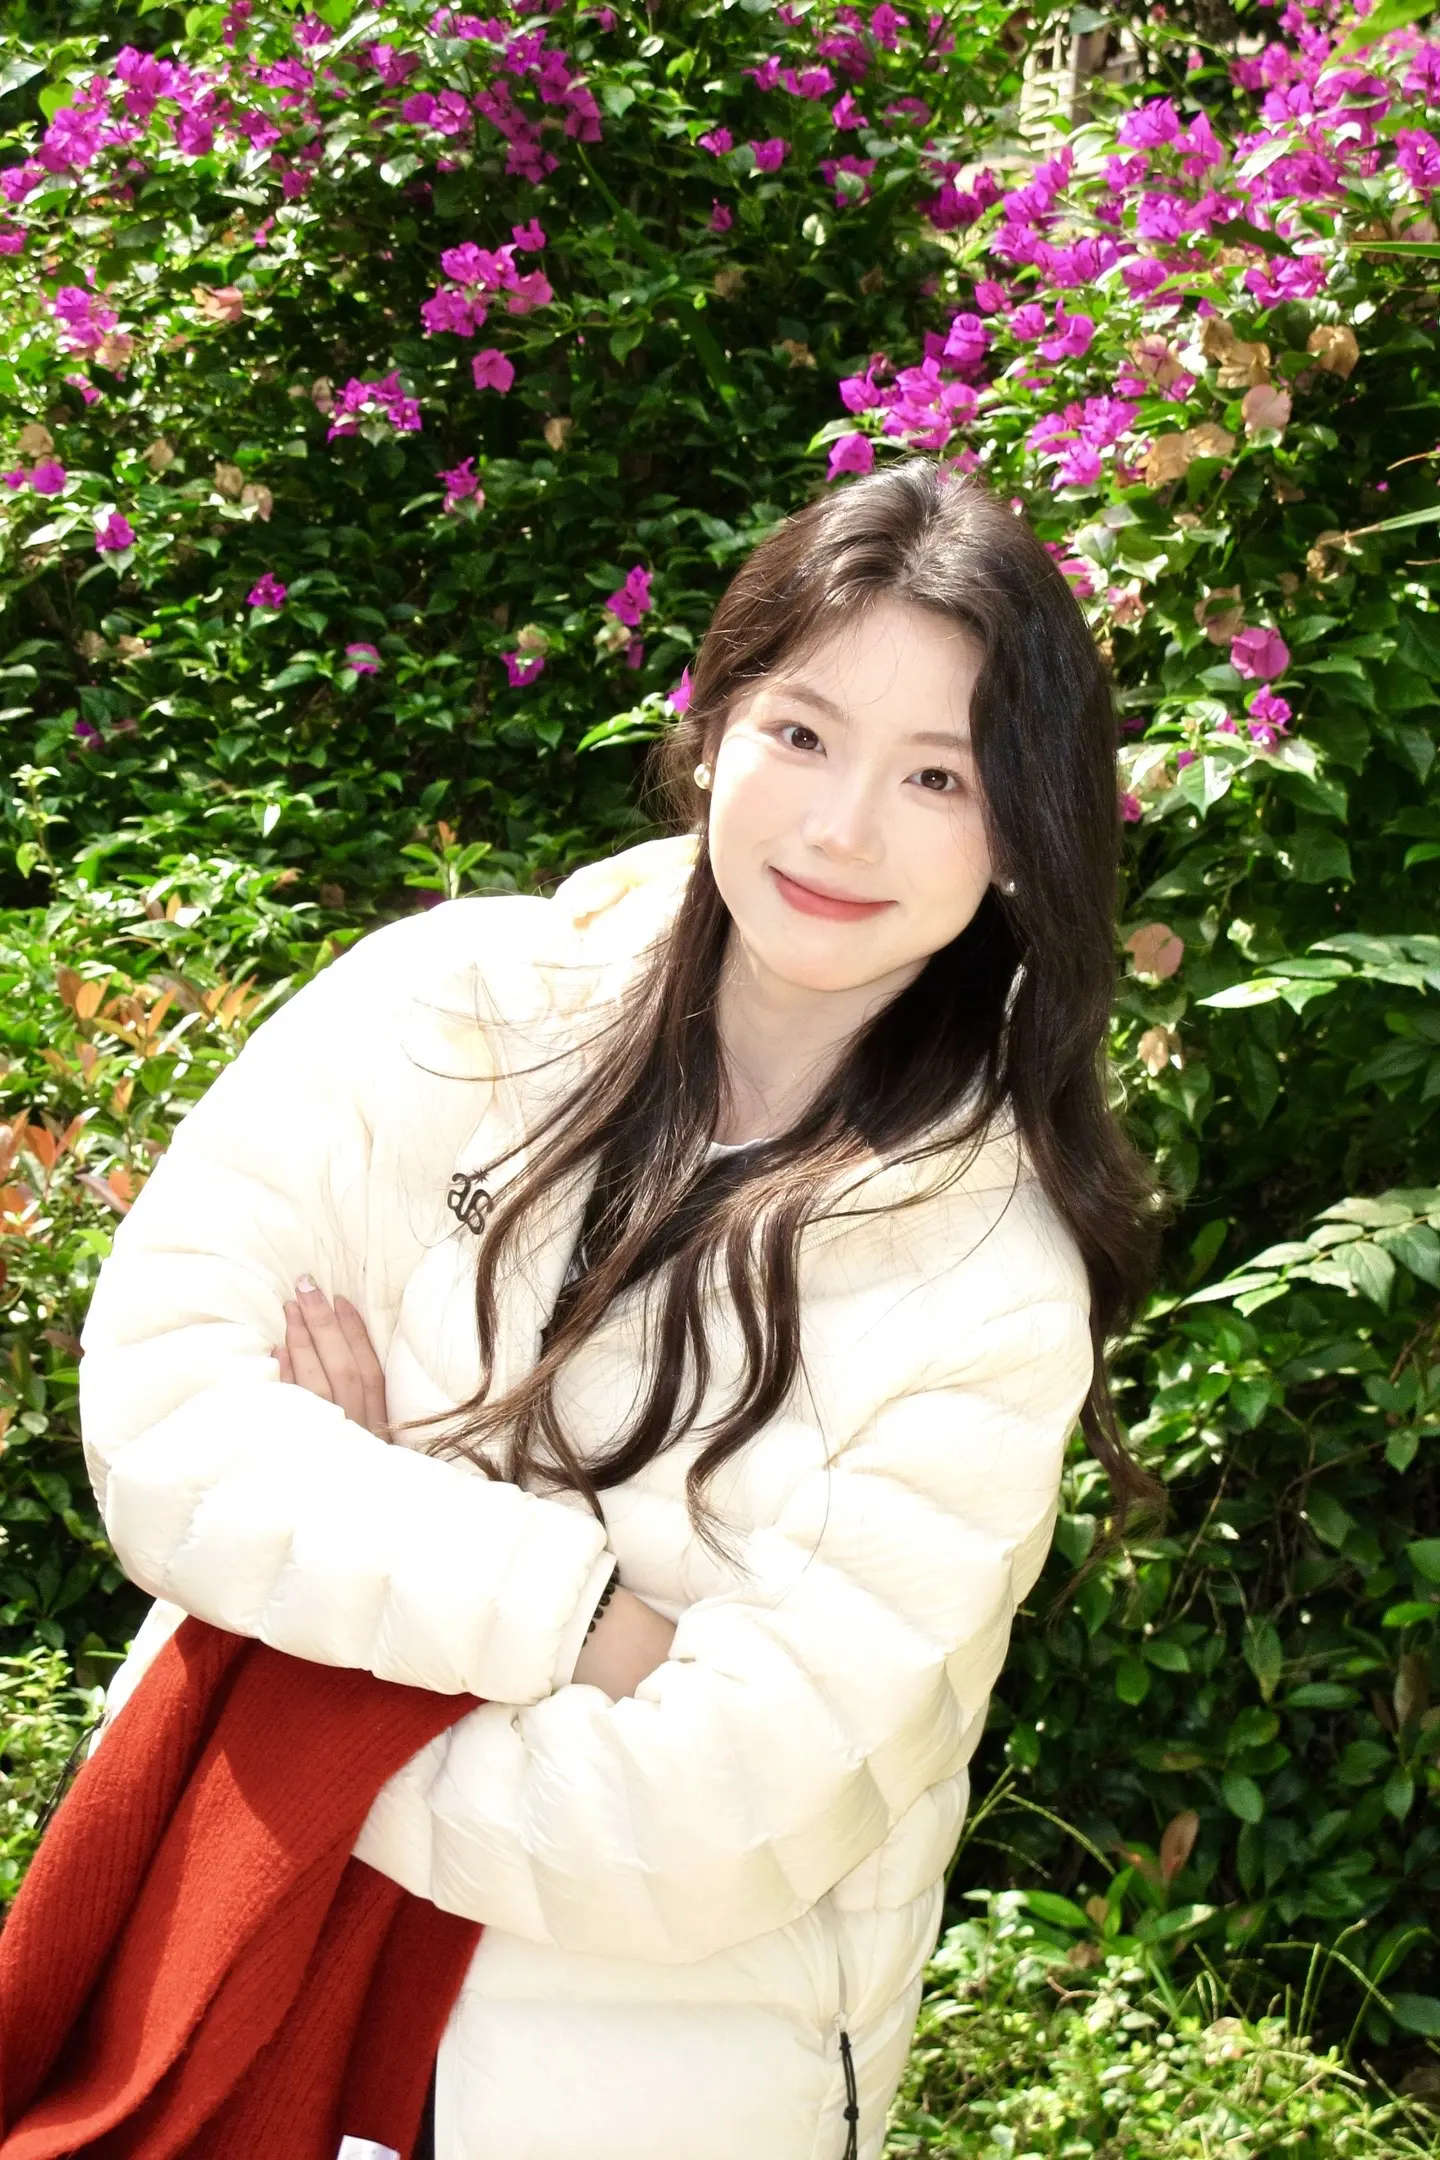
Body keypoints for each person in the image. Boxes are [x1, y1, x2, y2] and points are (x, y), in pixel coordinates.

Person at [78, 456, 1161, 2160]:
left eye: (937, 775)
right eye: (801, 732)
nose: (841, 829)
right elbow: (168, 1429)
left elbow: (705, 1823)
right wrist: (591, 1624)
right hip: (222, 1962)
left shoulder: (986, 1285)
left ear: (1026, 828)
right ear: (711, 725)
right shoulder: (455, 1009)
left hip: (633, 2093)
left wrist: (312, 1628)